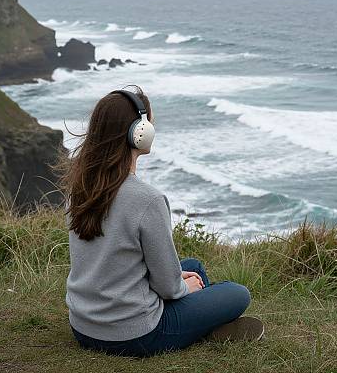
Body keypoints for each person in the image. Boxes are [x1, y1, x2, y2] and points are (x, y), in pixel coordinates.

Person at [54, 84, 264, 358]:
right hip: (134, 335)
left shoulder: (81, 186)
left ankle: (201, 324)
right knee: (237, 294)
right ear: (139, 133)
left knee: (193, 267)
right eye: (150, 121)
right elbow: (166, 286)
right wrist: (182, 287)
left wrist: (180, 280)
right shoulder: (147, 200)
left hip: (83, 327)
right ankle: (202, 328)